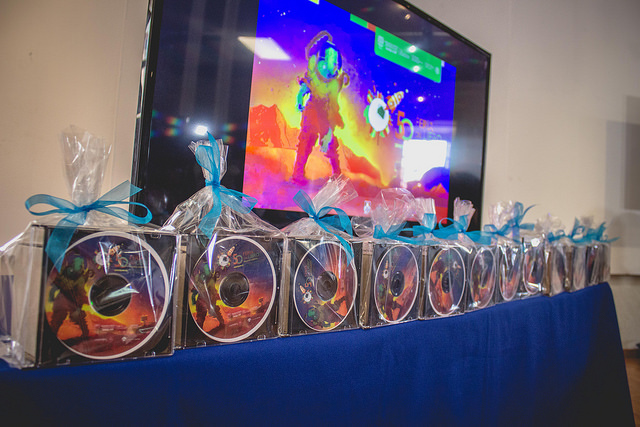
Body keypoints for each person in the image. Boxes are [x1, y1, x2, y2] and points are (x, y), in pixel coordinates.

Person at [293, 31, 350, 183]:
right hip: (311, 111)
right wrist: (299, 100)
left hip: (325, 113)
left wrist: (329, 131)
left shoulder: (333, 84)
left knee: (330, 144)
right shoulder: (314, 74)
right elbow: (303, 90)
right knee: (305, 142)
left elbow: (333, 107)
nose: (333, 65)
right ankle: (297, 174)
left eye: (335, 61)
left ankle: (337, 174)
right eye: (330, 59)